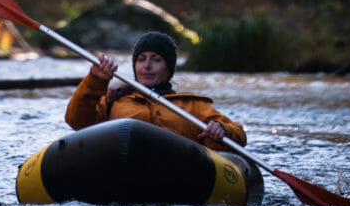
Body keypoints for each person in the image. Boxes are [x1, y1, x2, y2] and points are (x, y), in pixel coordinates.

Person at [64, 31, 246, 150]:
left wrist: (222, 130)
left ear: (168, 68)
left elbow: (239, 135)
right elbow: (77, 122)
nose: (147, 66)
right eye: (141, 59)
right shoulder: (112, 100)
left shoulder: (192, 106)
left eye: (156, 59)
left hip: (175, 173)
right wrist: (95, 80)